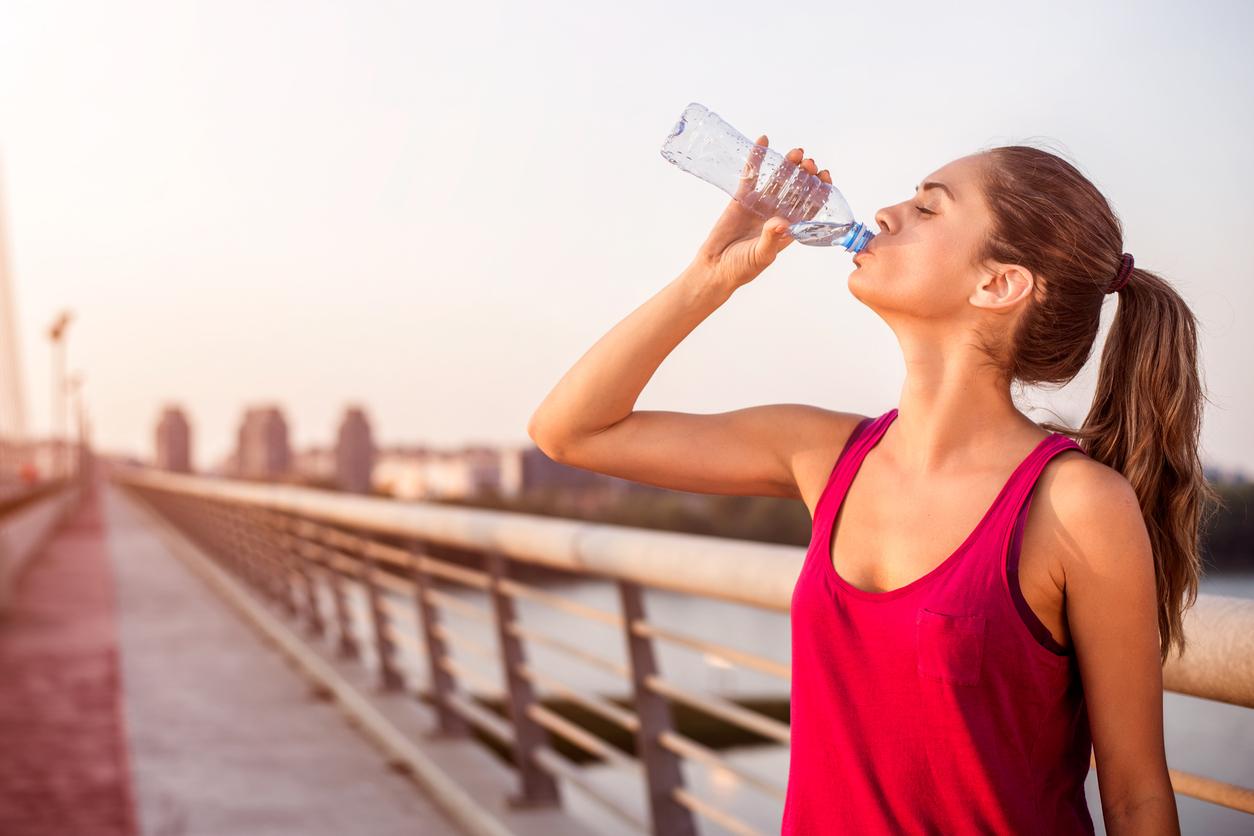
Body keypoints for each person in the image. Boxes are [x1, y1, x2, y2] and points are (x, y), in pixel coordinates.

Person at [527, 135, 1213, 835]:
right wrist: (708, 279)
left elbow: (1134, 798)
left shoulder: (1075, 507)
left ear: (998, 284)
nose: (885, 214)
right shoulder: (824, 455)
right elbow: (570, 432)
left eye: (926, 208)